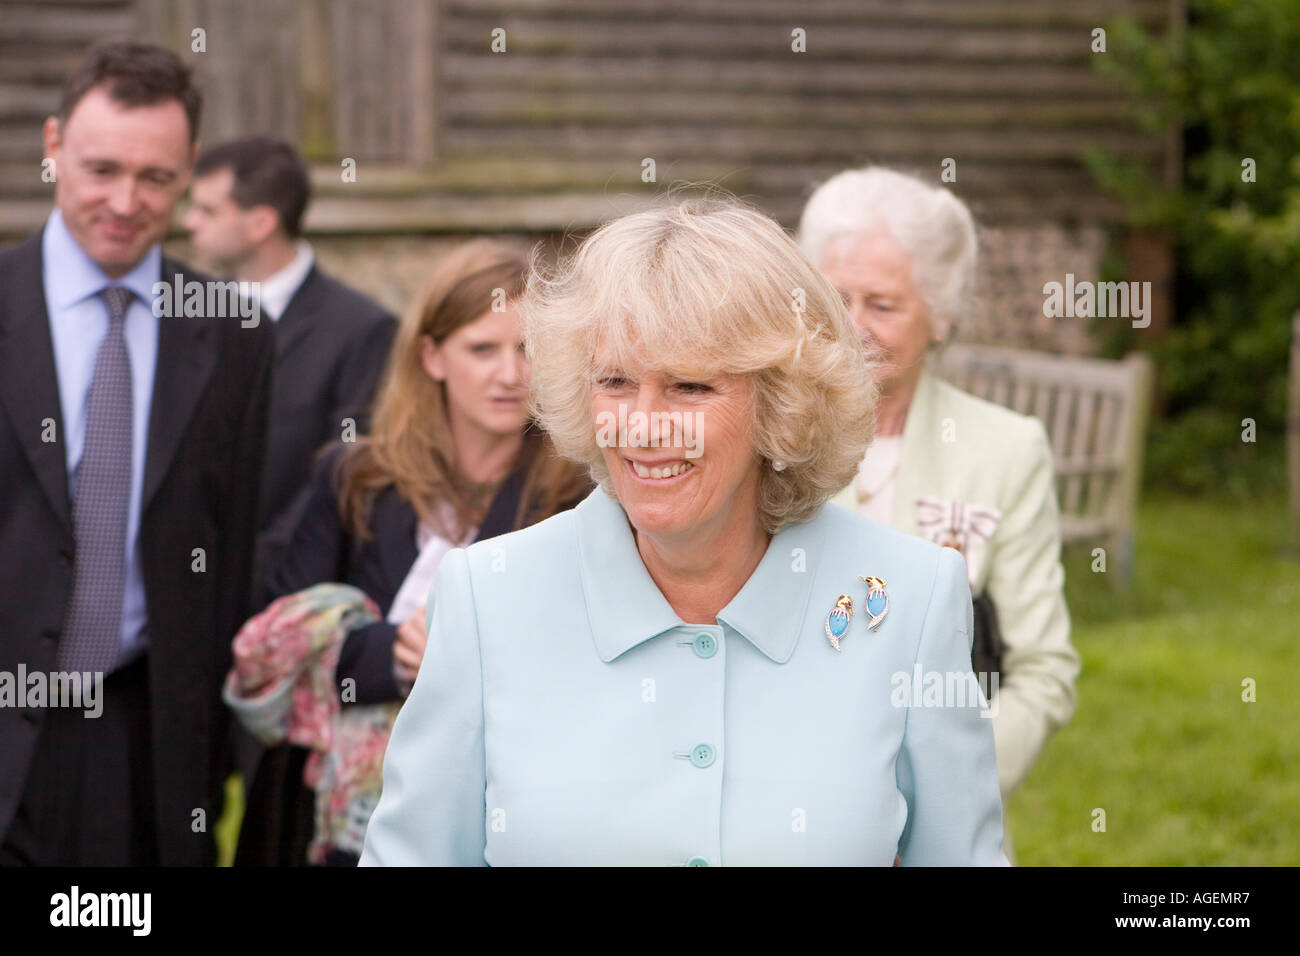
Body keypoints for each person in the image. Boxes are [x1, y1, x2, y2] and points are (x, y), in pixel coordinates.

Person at [359, 198, 1009, 866]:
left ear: (781, 403)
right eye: (615, 381)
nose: (643, 424)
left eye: (690, 387)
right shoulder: (486, 598)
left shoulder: (910, 598)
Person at [0, 40, 273, 865]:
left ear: (190, 168)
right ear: (52, 148)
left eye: (155, 178)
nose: (125, 202)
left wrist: (214, 744)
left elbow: (232, 548)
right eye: (100, 169)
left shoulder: (233, 332)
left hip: (148, 738)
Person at [231, 240, 589, 865]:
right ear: (432, 355)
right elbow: (280, 639)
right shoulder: (355, 478)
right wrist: (392, 653)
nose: (510, 374)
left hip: (494, 814)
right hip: (331, 816)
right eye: (483, 349)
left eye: (528, 349)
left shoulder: (580, 494)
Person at [800, 166, 1081, 858]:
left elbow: (1043, 671)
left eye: (884, 305)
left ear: (941, 314)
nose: (854, 327)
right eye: (836, 300)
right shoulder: (768, 440)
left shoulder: (1005, 449)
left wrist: (937, 793)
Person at [183, 136, 396, 609]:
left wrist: (250, 573)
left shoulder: (360, 328)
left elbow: (343, 469)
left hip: (286, 591)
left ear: (260, 222)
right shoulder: (185, 314)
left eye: (206, 210)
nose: (188, 221)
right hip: (179, 593)